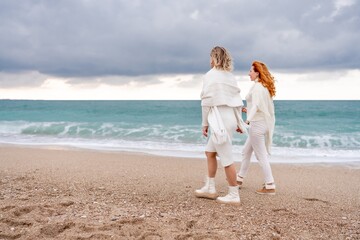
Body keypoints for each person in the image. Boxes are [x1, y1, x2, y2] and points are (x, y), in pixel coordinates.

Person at [195, 46, 246, 204]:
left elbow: (206, 102)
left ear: (214, 58)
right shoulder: (230, 77)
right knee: (209, 152)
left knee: (226, 158)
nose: (209, 60)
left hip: (218, 121)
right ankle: (210, 187)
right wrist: (239, 122)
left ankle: (234, 194)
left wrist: (204, 124)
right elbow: (237, 102)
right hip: (229, 118)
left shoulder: (210, 76)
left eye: (211, 57)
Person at [236, 61, 276, 195]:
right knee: (246, 151)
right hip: (261, 123)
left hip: (257, 125)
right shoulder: (261, 86)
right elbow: (258, 106)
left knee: (261, 156)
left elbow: (257, 106)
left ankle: (270, 185)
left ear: (257, 72)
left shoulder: (258, 87)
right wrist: (249, 110)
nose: (249, 73)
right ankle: (239, 179)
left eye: (251, 71)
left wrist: (246, 121)